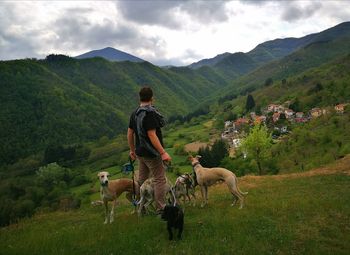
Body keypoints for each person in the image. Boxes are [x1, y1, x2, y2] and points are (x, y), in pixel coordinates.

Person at [127, 86, 171, 214]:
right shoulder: (150, 113)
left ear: (139, 98)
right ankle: (161, 208)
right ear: (152, 98)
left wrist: (132, 150)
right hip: (151, 154)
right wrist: (163, 153)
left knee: (141, 180)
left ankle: (141, 207)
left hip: (140, 153)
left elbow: (130, 133)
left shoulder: (135, 113)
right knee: (159, 179)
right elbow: (152, 135)